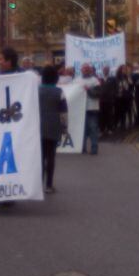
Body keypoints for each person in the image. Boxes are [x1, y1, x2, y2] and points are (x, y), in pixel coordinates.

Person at [38, 65, 68, 194]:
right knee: (51, 156)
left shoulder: (36, 91)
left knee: (40, 157)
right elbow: (63, 113)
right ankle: (49, 185)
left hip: (38, 127)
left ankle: (38, 184)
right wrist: (64, 128)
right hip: (54, 126)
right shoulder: (59, 92)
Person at [75, 63, 101, 155]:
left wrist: (88, 90)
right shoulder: (77, 80)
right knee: (82, 129)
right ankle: (82, 148)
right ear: (81, 70)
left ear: (90, 70)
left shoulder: (95, 81)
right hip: (80, 109)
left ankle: (94, 148)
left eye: (87, 69)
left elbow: (98, 93)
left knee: (93, 129)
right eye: (84, 69)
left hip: (92, 108)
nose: (85, 70)